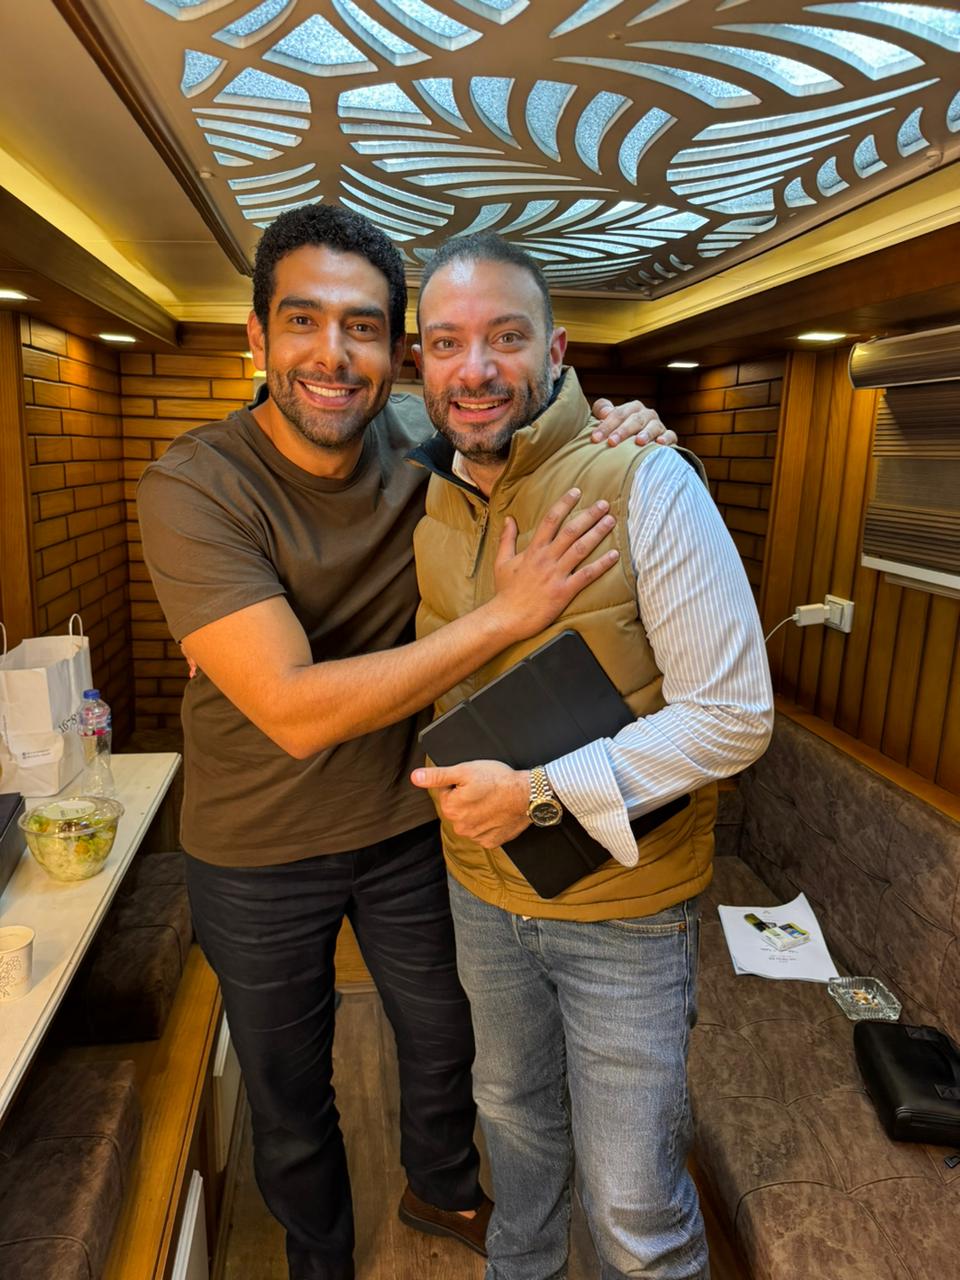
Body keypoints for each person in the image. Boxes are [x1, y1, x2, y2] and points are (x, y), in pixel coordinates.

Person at [136, 203, 677, 1280]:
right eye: (303, 321)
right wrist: (505, 616)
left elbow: (526, 427)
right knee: (290, 1091)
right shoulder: (195, 484)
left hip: (404, 821)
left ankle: (442, 1186)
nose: (333, 355)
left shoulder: (424, 447)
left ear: (398, 354)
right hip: (253, 846)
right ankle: (320, 1258)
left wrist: (623, 422)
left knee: (446, 1041)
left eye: (365, 328)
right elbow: (292, 710)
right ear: (257, 335)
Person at [409, 233, 774, 1280]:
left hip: (626, 912)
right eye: (447, 343)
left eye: (506, 337)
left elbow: (734, 716)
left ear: (556, 351)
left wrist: (537, 794)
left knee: (632, 1207)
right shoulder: (429, 493)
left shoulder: (648, 479)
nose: (476, 368)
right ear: (419, 364)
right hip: (481, 892)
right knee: (513, 1130)